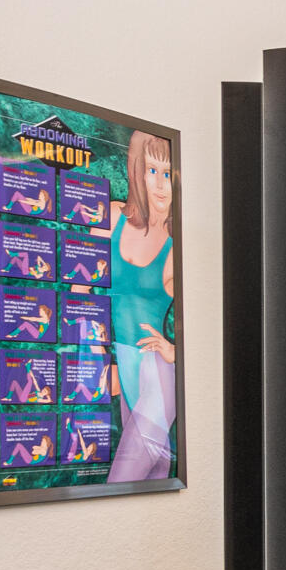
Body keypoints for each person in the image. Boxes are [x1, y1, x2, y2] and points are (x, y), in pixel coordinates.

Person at [106, 131, 179, 482]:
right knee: (153, 478)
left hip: (157, 372)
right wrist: (98, 358)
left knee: (121, 481)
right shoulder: (113, 216)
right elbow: (81, 293)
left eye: (168, 173)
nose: (161, 184)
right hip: (124, 364)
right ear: (137, 171)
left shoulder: (177, 247)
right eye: (152, 170)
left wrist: (175, 350)